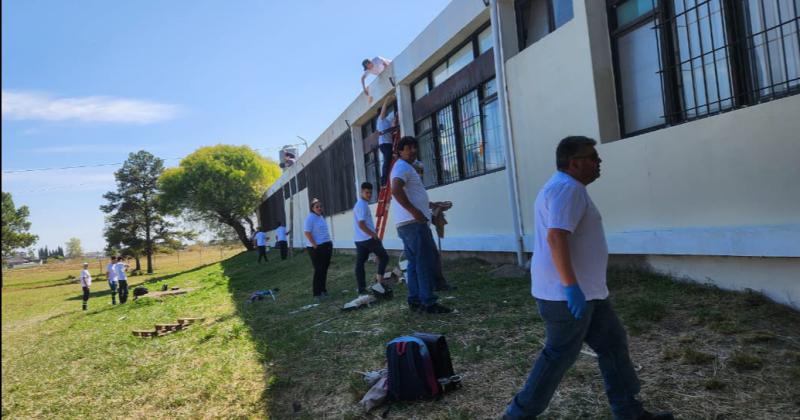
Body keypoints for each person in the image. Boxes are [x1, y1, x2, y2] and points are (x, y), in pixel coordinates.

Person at [503, 136, 673, 420]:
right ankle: (516, 416)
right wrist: (571, 287)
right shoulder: (568, 190)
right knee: (558, 356)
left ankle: (629, 411)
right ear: (574, 163)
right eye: (593, 157)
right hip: (566, 295)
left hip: (590, 293)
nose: (599, 162)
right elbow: (557, 238)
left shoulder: (566, 187)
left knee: (612, 344)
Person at [390, 136, 451, 314]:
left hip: (407, 224)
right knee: (424, 262)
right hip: (413, 223)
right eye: (407, 148)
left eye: (414, 147)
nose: (412, 151)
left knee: (414, 263)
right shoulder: (402, 166)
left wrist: (430, 205)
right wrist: (415, 211)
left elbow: (413, 194)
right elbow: (395, 189)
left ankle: (415, 300)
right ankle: (428, 303)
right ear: (400, 151)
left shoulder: (407, 168)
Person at [353, 182, 390, 296]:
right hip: (368, 238)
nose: (369, 195)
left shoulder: (361, 204)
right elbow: (361, 224)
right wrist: (372, 234)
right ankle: (380, 280)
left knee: (360, 264)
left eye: (370, 192)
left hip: (360, 240)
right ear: (361, 192)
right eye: (366, 192)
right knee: (384, 257)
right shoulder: (361, 205)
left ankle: (361, 289)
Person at [304, 198, 332, 301]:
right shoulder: (310, 218)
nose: (319, 208)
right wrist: (315, 245)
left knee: (324, 269)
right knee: (318, 270)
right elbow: (307, 232)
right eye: (317, 207)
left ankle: (323, 290)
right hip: (316, 248)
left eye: (320, 206)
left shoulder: (320, 217)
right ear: (312, 208)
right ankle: (316, 293)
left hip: (326, 245)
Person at [377, 96, 398, 185]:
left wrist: (396, 118)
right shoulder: (380, 119)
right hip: (384, 144)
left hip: (388, 143)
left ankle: (388, 176)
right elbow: (384, 109)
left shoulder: (387, 121)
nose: (385, 112)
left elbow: (392, 126)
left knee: (389, 159)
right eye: (383, 111)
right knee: (387, 160)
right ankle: (384, 180)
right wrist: (387, 100)